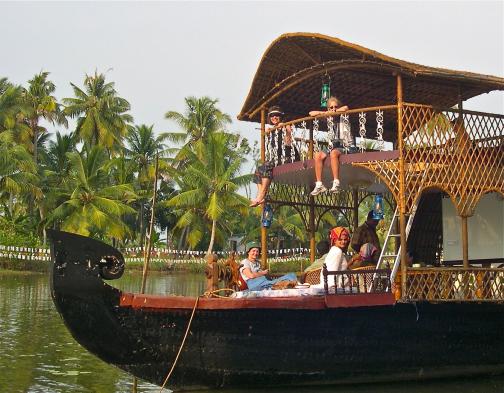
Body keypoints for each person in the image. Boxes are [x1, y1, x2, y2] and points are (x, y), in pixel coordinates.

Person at [250, 106, 298, 207]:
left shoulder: (286, 126)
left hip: (289, 158)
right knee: (258, 170)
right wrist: (270, 132)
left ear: (281, 117)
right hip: (278, 159)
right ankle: (261, 195)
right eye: (272, 115)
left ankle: (261, 196)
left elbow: (288, 141)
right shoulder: (272, 131)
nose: (274, 117)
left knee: (268, 165)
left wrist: (285, 128)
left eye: (277, 115)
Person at [309, 96, 349, 196]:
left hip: (345, 145)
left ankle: (336, 182)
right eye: (331, 107)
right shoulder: (328, 116)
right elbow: (311, 113)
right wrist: (325, 113)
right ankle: (319, 185)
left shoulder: (343, 114)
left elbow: (346, 108)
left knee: (333, 153)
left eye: (335, 107)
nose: (333, 109)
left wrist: (334, 111)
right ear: (328, 109)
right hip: (333, 145)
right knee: (318, 155)